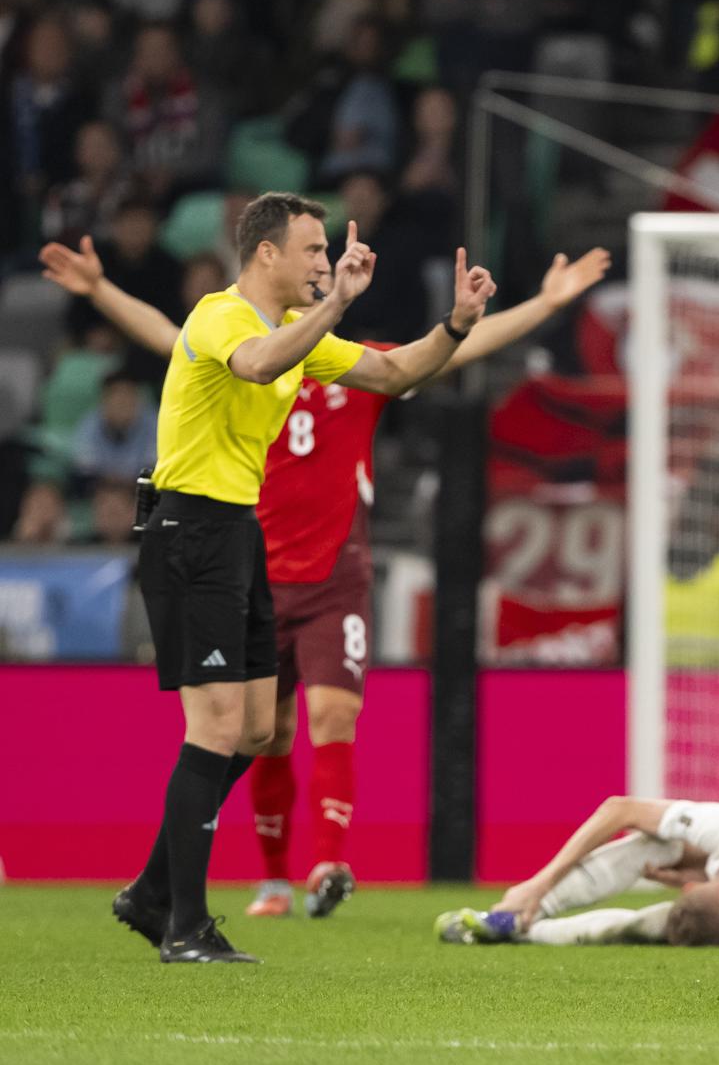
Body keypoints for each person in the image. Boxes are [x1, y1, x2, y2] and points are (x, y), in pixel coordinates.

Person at [43, 234, 611, 921]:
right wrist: (102, 291)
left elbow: (432, 357)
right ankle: (267, 880)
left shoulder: (338, 365)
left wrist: (538, 306)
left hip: (333, 576)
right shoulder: (253, 351)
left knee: (333, 713)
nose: (319, 268)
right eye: (310, 251)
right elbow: (172, 337)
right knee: (263, 733)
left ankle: (326, 863)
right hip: (245, 566)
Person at [99, 191, 495, 964]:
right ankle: (183, 924)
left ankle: (150, 890)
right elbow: (255, 366)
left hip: (238, 533)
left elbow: (390, 372)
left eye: (327, 252)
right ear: (267, 254)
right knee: (213, 728)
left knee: (253, 730)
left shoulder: (294, 332)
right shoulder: (224, 317)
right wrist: (338, 304)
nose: (326, 263)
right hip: (190, 532)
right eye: (314, 250)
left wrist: (455, 326)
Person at [435, 796, 719, 950]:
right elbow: (621, 810)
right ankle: (529, 909)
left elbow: (618, 807)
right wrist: (540, 880)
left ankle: (516, 927)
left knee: (648, 926)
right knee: (658, 845)